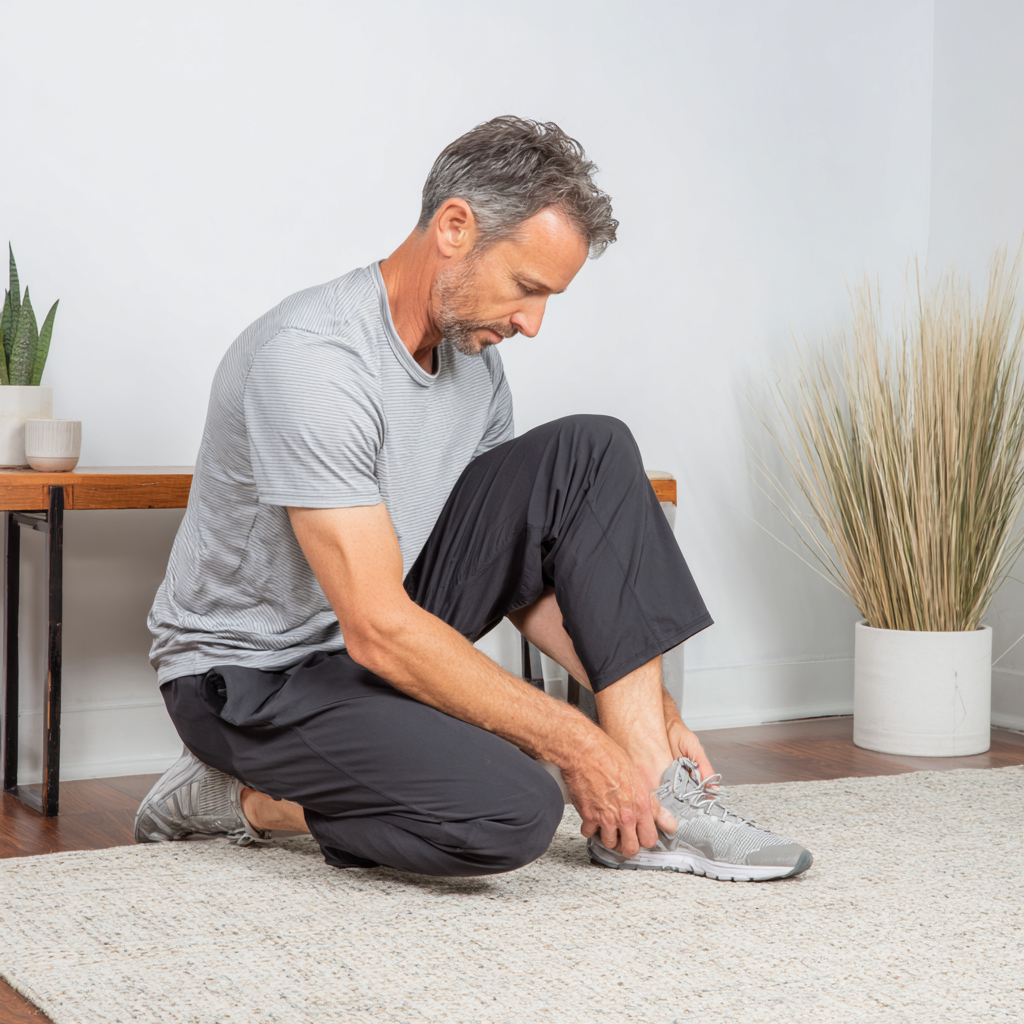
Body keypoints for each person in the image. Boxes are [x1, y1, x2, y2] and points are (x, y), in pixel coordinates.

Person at [138, 116, 812, 882]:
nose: (532, 323)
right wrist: (575, 740)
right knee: (514, 808)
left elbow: (519, 568)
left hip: (373, 635)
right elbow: (378, 629)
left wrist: (648, 718)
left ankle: (661, 805)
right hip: (256, 679)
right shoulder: (314, 361)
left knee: (593, 447)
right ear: (455, 226)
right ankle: (243, 800)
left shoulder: (475, 367)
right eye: (527, 288)